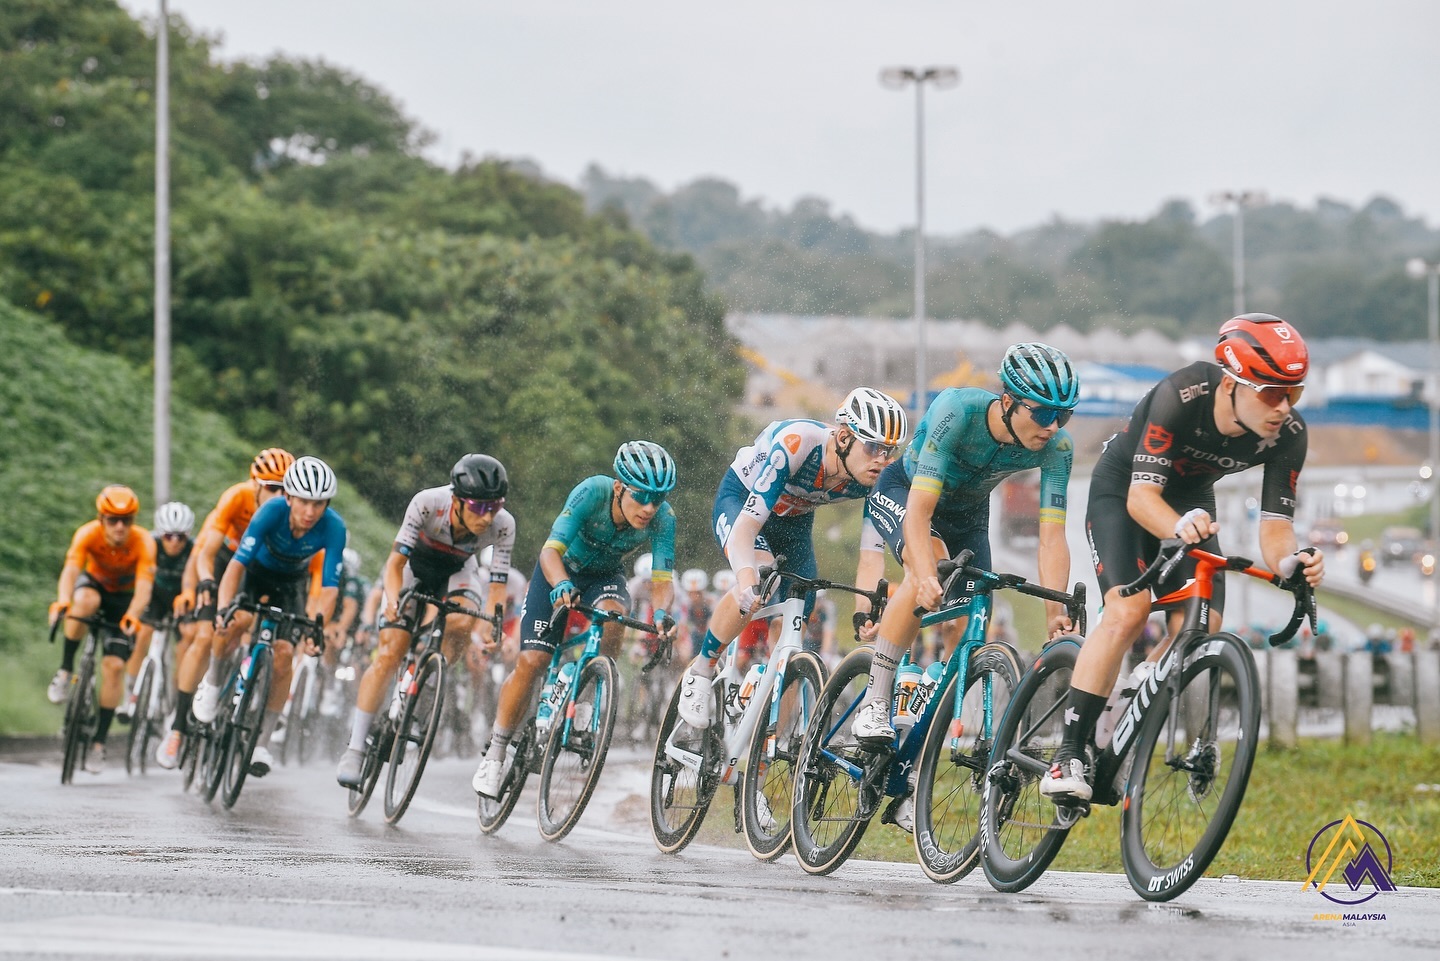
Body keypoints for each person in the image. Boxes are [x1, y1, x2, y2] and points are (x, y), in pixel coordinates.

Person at [1041, 313, 1325, 802]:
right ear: (1233, 383)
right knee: (1128, 611)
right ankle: (1066, 755)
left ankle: (1133, 696)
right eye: (1271, 392)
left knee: (1201, 627)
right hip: (1125, 492)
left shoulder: (1288, 434)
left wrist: (1292, 563)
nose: (1283, 406)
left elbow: (1276, 528)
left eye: (1294, 393)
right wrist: (1175, 528)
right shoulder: (1182, 393)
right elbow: (1141, 500)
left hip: (1192, 505)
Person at [851, 345, 1079, 811]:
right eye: (1044, 412)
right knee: (926, 573)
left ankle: (917, 742)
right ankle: (875, 699)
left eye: (1065, 414)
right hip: (907, 493)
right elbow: (919, 511)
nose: (1053, 425)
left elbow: (1052, 537)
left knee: (975, 611)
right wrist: (922, 570)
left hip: (969, 513)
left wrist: (1056, 612)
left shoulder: (1057, 447)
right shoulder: (958, 411)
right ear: (1010, 400)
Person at [674, 386, 909, 729]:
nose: (882, 459)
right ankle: (702, 668)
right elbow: (745, 530)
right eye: (873, 447)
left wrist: (863, 614)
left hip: (794, 522)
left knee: (802, 607)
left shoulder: (875, 481)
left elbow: (871, 558)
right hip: (743, 503)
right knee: (761, 581)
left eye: (890, 451)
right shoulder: (798, 444)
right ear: (843, 438)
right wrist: (745, 579)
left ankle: (763, 708)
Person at [472, 440, 678, 798]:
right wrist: (561, 582)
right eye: (641, 495)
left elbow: (662, 579)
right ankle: (496, 751)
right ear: (619, 487)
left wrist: (662, 614)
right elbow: (551, 551)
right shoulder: (592, 492)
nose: (649, 507)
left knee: (616, 617)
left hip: (604, 577)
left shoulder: (663, 519)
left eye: (657, 498)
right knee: (533, 660)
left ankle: (588, 692)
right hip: (557, 571)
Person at [336, 454, 515, 788]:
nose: (486, 515)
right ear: (457, 500)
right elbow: (393, 564)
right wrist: (391, 602)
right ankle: (356, 748)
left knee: (463, 622)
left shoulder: (503, 524)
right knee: (390, 652)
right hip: (413, 568)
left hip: (459, 571)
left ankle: (429, 681)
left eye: (494, 506)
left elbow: (496, 588)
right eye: (478, 507)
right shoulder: (428, 503)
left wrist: (493, 624)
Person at [196, 456, 348, 777]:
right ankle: (212, 683)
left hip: (292, 583)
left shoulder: (334, 527)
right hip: (256, 572)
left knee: (283, 656)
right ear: (288, 497)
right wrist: (224, 607)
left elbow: (329, 588)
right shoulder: (271, 511)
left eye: (319, 504)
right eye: (304, 502)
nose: (310, 512)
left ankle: (262, 742)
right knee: (233, 624)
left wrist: (317, 627)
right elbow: (238, 562)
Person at [155, 448, 294, 768]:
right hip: (221, 563)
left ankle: (243, 691)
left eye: (284, 489)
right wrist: (197, 586)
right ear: (254, 484)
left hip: (257, 570)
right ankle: (177, 728)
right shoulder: (236, 498)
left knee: (249, 626)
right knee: (205, 636)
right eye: (271, 488)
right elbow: (203, 552)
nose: (279, 496)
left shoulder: (292, 509)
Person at [47, 485, 157, 772]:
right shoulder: (87, 534)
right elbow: (71, 570)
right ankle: (65, 669)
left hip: (124, 601)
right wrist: (62, 600)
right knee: (83, 601)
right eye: (112, 520)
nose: (120, 526)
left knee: (114, 667)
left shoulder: (144, 542)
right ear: (101, 519)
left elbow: (144, 588)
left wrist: (133, 615)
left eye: (127, 520)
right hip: (94, 587)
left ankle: (99, 742)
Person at [118, 501, 197, 722]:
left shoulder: (194, 549)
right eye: (168, 536)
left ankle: (178, 695)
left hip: (183, 598)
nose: (174, 542)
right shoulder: (149, 544)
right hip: (156, 596)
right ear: (160, 534)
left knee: (186, 641)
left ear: (188, 535)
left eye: (180, 537)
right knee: (143, 634)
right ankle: (130, 696)